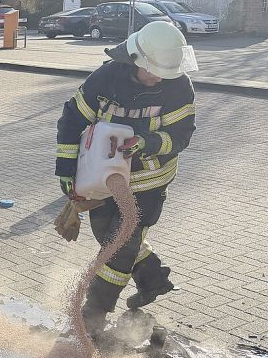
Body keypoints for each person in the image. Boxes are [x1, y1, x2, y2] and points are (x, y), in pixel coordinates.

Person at [55, 21, 197, 338]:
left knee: (121, 244)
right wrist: (65, 169)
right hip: (104, 180)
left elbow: (181, 136)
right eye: (153, 70)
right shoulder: (106, 78)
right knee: (106, 233)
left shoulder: (179, 86)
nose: (159, 78)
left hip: (149, 183)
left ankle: (94, 313)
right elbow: (72, 119)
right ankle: (152, 278)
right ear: (136, 59)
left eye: (165, 72)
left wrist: (147, 143)